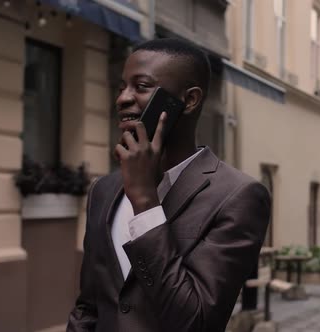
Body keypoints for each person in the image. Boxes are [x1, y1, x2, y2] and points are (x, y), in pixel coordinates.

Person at [67, 38, 271, 332]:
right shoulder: (104, 190)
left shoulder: (238, 197)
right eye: (122, 86)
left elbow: (195, 322)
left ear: (189, 100)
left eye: (141, 86)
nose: (122, 98)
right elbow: (89, 305)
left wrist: (146, 202)